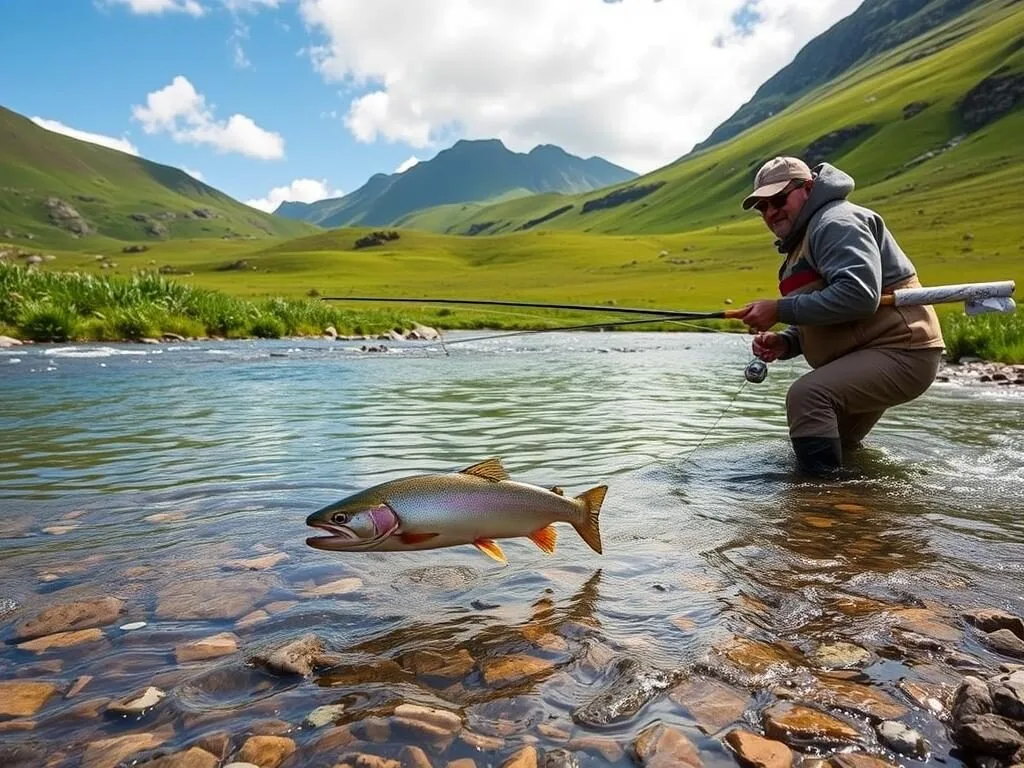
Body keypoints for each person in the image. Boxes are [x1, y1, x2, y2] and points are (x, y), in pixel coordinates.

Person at [735, 156, 945, 475]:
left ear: (807, 188)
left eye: (778, 199)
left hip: (900, 350)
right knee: (841, 448)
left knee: (808, 397)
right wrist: (787, 341)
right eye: (762, 207)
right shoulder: (805, 237)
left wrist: (779, 309)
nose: (771, 211)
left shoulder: (835, 222)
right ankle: (851, 508)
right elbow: (831, 310)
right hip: (872, 353)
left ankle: (821, 503)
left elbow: (859, 296)